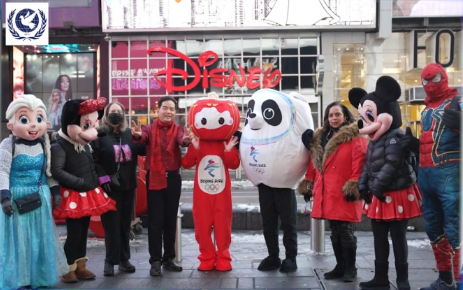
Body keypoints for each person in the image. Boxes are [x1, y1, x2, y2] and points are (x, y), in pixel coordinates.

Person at [349, 77, 422, 290]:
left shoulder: (395, 136)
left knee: (398, 237)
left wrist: (376, 186)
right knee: (379, 238)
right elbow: (368, 165)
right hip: (378, 194)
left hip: (396, 193)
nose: (366, 122)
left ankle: (402, 279)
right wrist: (363, 184)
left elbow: (392, 163)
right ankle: (381, 277)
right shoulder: (374, 139)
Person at [239, 89, 314, 273]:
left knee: (288, 222)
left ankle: (291, 257)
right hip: (263, 182)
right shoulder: (255, 126)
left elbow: (305, 128)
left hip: (284, 182)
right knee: (268, 221)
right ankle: (273, 255)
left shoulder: (291, 113)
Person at [0, 95, 68, 289]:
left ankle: (39, 276)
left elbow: (47, 171)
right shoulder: (8, 144)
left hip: (40, 197)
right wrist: (4, 196)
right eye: (24, 119)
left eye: (38, 119)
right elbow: (2, 170)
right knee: (18, 240)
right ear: (11, 124)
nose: (33, 125)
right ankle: (20, 279)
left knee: (39, 237)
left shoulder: (42, 144)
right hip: (15, 198)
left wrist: (54, 190)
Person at [403, 63, 461, 290]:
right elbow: (429, 143)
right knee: (434, 229)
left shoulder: (457, 103)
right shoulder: (426, 110)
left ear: (443, 77)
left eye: (433, 79)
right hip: (427, 176)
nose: (428, 85)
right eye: (424, 81)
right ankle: (446, 279)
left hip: (450, 174)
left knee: (456, 229)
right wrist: (415, 145)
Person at [298, 101, 367, 282]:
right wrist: (308, 184)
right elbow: (314, 164)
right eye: (330, 115)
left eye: (337, 114)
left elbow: (359, 164)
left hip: (343, 191)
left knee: (345, 230)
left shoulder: (355, 136)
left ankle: (350, 268)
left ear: (345, 116)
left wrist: (354, 185)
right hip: (326, 191)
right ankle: (340, 265)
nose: (334, 118)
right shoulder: (321, 138)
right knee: (335, 230)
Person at [51, 98, 116, 283]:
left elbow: (93, 165)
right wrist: (80, 182)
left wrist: (100, 180)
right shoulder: (60, 145)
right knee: (74, 234)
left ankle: (80, 266)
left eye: (92, 125)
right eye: (86, 125)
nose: (92, 131)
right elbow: (57, 171)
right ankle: (67, 268)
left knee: (83, 232)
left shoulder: (84, 145)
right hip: (73, 195)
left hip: (87, 193)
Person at [131, 96, 191, 276]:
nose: (168, 112)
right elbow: (143, 138)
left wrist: (187, 141)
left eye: (172, 109)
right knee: (156, 221)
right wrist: (137, 135)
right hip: (155, 178)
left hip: (173, 179)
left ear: (175, 112)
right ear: (158, 110)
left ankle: (169, 258)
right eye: (165, 108)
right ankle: (155, 261)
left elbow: (182, 140)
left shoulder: (179, 129)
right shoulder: (149, 128)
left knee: (170, 220)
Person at [181, 97, 240, 271]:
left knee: (223, 225)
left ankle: (223, 256)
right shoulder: (197, 142)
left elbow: (235, 165)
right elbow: (186, 164)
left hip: (222, 194)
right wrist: (195, 149)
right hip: (202, 194)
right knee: (202, 225)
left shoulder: (226, 142)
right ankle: (206, 256)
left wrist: (229, 151)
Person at [92, 101, 145, 277]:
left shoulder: (129, 134)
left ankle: (124, 259)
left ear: (123, 114)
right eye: (112, 111)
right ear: (106, 115)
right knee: (111, 225)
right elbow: (95, 161)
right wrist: (103, 178)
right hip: (110, 187)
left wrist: (139, 139)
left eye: (119, 111)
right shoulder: (99, 135)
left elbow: (142, 152)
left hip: (129, 186)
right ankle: (110, 260)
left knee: (124, 224)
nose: (116, 114)